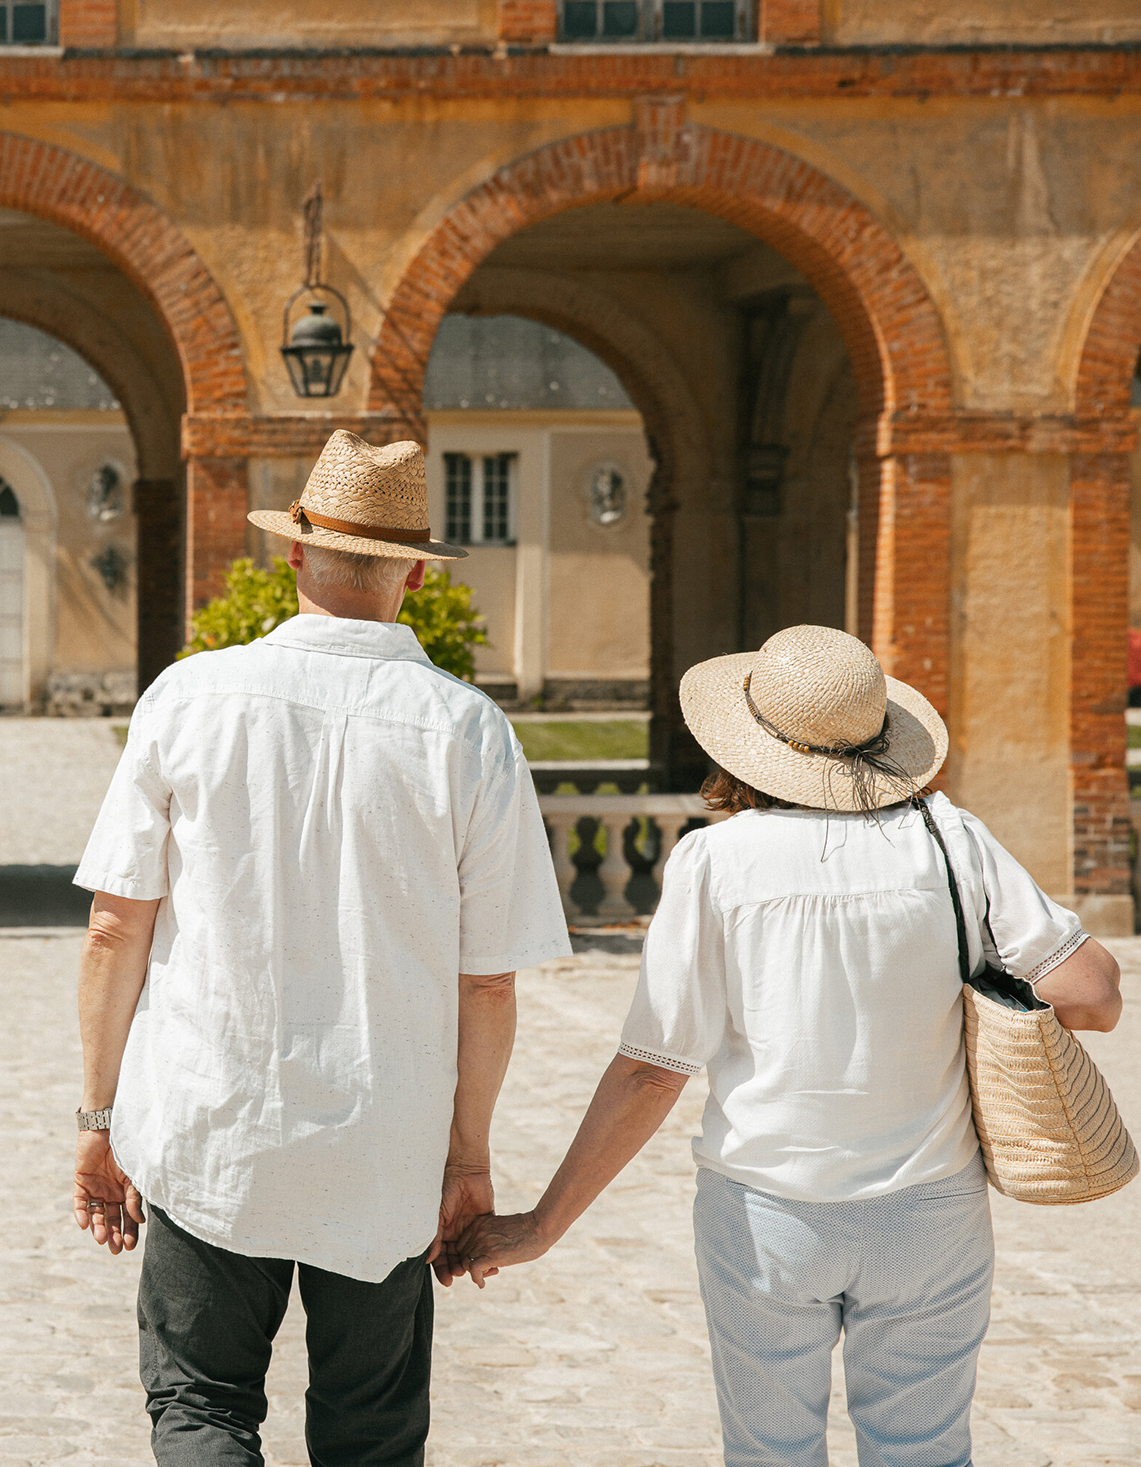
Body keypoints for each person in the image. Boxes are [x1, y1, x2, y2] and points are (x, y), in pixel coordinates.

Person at [445, 624, 1125, 1467]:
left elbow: (653, 1073)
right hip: (929, 1208)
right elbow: (1093, 996)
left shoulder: (714, 862)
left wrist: (543, 1225)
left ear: (751, 746)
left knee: (771, 1454)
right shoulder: (952, 839)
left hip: (764, 1214)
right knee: (925, 1451)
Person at [70, 430, 573, 1467]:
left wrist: (98, 1120)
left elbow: (117, 926)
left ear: (292, 554)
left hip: (214, 1125)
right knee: (370, 1434)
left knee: (202, 1409)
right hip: (380, 1142)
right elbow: (486, 983)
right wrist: (466, 1160)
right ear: (417, 575)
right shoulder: (467, 729)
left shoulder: (189, 697)